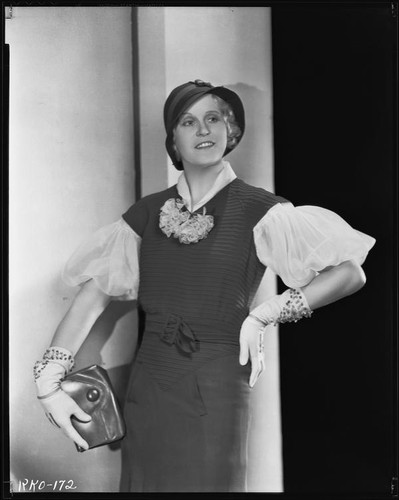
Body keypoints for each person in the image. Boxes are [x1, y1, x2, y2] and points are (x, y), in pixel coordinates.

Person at [33, 79, 376, 492]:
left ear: (230, 131)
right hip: (149, 390)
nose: (203, 130)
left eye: (213, 119)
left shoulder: (261, 208)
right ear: (173, 141)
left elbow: (350, 272)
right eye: (188, 121)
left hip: (218, 387)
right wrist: (47, 379)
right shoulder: (145, 214)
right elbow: (92, 299)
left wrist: (264, 315)